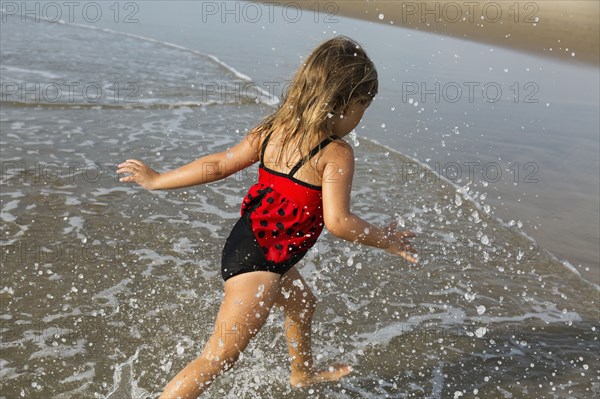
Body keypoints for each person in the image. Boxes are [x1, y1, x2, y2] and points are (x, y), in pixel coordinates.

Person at [117, 35, 417, 398]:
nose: (361, 117)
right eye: (362, 106)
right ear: (341, 102)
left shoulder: (274, 130)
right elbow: (338, 222)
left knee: (302, 303)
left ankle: (301, 373)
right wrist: (385, 239)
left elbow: (219, 165)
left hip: (253, 245)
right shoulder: (335, 153)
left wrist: (158, 179)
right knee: (217, 359)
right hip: (259, 264)